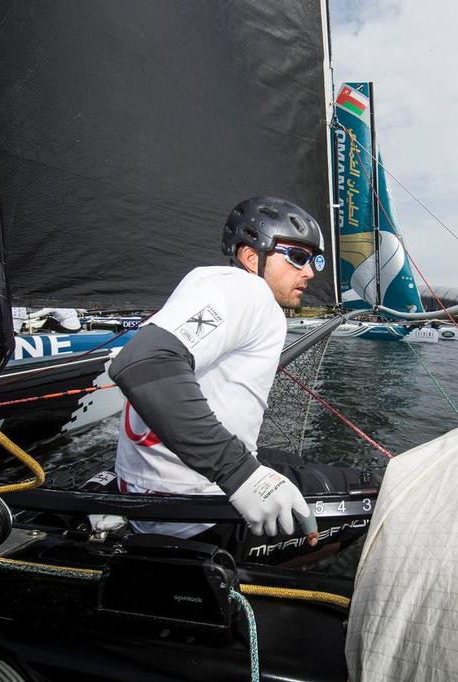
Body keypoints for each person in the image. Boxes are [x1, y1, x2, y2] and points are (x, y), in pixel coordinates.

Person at [107, 196, 330, 544]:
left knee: (291, 460)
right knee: (370, 488)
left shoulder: (204, 285)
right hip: (196, 513)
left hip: (146, 497)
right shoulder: (247, 289)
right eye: (298, 257)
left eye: (314, 259)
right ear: (251, 256)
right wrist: (242, 476)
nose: (310, 272)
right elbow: (142, 361)